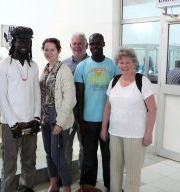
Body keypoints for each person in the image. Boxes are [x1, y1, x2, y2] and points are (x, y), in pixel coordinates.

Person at [101, 48, 157, 192]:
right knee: (115, 170)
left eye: (127, 62)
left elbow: (153, 108)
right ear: (117, 64)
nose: (124, 66)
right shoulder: (114, 81)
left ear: (134, 63)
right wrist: (104, 128)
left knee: (132, 174)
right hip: (115, 133)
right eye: (121, 62)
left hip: (135, 135)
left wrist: (149, 133)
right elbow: (108, 106)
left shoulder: (142, 81)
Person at [0, 26, 41, 192]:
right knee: (9, 163)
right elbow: (0, 96)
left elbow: (37, 93)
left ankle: (26, 188)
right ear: (13, 42)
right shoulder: (3, 65)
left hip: (30, 122)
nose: (24, 43)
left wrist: (36, 118)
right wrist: (14, 123)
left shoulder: (34, 65)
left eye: (28, 40)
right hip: (10, 125)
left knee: (29, 160)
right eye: (20, 40)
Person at [74, 33, 120, 191]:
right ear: (88, 46)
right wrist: (80, 121)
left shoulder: (112, 65)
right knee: (89, 157)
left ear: (103, 44)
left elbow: (118, 94)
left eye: (97, 44)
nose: (94, 47)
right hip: (88, 120)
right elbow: (79, 97)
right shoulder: (82, 66)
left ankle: (110, 185)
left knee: (109, 156)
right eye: (92, 44)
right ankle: (87, 186)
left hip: (108, 121)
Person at [40, 38, 76, 192]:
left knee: (57, 156)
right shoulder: (46, 68)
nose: (49, 53)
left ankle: (67, 187)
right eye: (46, 49)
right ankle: (53, 184)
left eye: (52, 50)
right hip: (45, 117)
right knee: (49, 154)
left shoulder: (64, 70)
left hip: (59, 119)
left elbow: (70, 99)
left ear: (59, 51)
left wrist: (60, 123)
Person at [62, 32, 88, 172]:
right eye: (75, 43)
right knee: (66, 146)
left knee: (85, 146)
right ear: (70, 45)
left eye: (80, 43)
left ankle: (84, 177)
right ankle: (65, 178)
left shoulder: (92, 64)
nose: (77, 46)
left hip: (86, 113)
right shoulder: (64, 65)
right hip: (68, 113)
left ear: (86, 45)